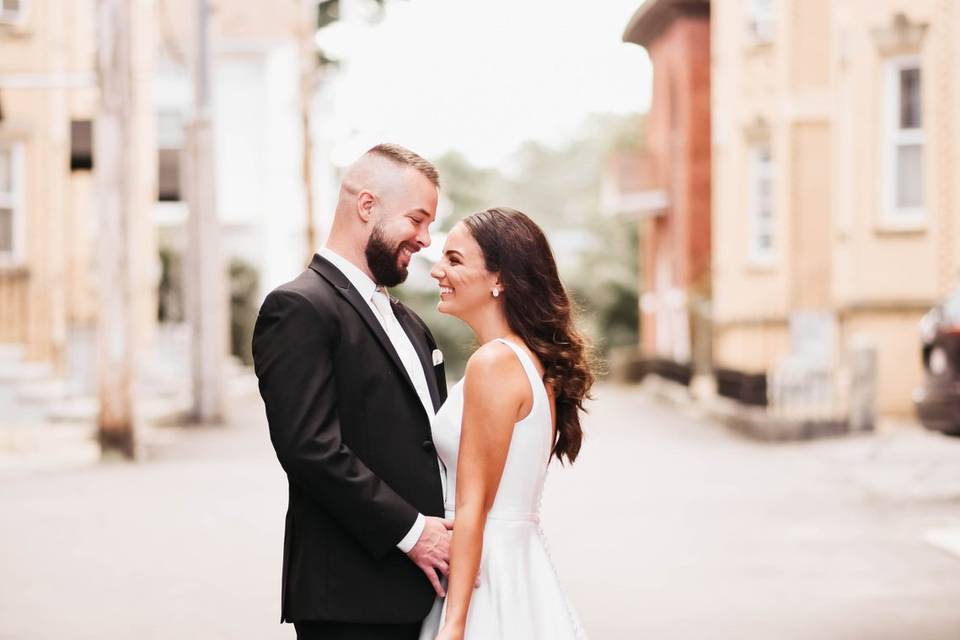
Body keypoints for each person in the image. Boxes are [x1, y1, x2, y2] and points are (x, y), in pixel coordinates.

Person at [252, 143, 453, 640]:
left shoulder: (408, 321)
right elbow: (310, 448)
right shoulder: (299, 307)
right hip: (350, 597)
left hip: (424, 594)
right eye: (417, 219)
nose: (425, 239)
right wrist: (413, 534)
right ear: (367, 206)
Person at [421, 207, 594, 639]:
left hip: (486, 573)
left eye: (455, 260)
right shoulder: (529, 362)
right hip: (516, 561)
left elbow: (472, 504)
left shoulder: (494, 363)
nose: (437, 271)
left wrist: (455, 623)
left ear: (500, 279)